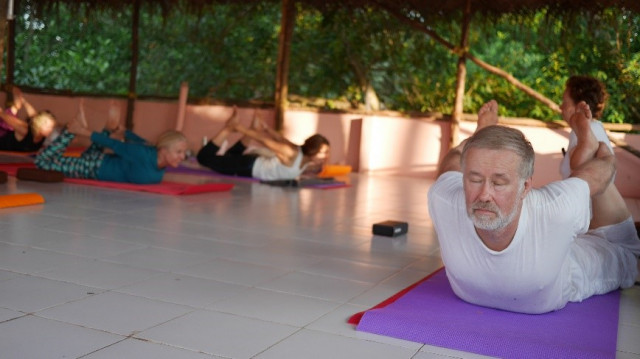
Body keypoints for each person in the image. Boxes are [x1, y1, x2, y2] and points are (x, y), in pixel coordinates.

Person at [427, 99, 640, 314]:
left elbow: (596, 176)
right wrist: (478, 138)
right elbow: (452, 165)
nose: (484, 195)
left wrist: (606, 158)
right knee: (580, 183)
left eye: (499, 183)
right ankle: (485, 136)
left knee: (622, 243)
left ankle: (590, 147)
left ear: (526, 186)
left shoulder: (553, 210)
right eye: (474, 179)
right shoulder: (444, 199)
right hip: (560, 238)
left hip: (613, 247)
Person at [34, 101, 188, 184]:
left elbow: (143, 141)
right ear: (163, 150)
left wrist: (123, 131)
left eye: (183, 153)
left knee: (89, 155)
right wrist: (83, 132)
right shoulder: (143, 155)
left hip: (98, 162)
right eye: (178, 152)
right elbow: (116, 145)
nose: (182, 157)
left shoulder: (157, 162)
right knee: (42, 162)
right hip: (92, 168)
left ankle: (108, 128)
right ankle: (71, 131)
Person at [559, 75, 632, 230]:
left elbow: (607, 175)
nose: (561, 107)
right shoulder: (589, 129)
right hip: (605, 219)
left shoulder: (590, 130)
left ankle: (585, 159)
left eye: (564, 102)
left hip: (599, 222)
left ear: (578, 106)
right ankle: (584, 158)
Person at [196, 108, 330, 181]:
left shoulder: (302, 156)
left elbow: (280, 138)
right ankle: (229, 128)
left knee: (231, 155)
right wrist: (239, 127)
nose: (325, 156)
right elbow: (265, 141)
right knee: (204, 158)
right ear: (312, 150)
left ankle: (249, 128)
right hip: (247, 167)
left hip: (249, 166)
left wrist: (266, 127)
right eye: (323, 152)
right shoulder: (292, 154)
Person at [0, 86, 58, 152]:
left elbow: (34, 115)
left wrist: (24, 101)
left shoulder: (42, 134)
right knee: (11, 117)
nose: (50, 130)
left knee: (15, 109)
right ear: (40, 124)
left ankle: (17, 101)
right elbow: (4, 116)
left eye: (51, 127)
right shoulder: (24, 129)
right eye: (48, 126)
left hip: (9, 129)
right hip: (3, 133)